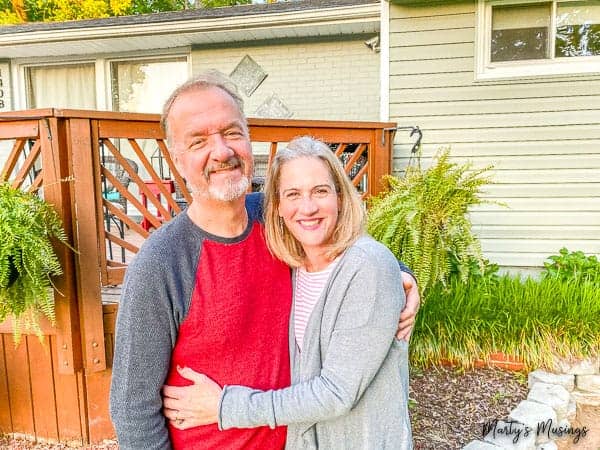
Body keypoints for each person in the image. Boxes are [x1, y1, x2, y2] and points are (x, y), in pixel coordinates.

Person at [109, 71, 419, 450]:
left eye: (232, 132)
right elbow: (132, 408)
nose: (221, 151)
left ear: (248, 138)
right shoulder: (162, 263)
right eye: (199, 141)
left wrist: (400, 276)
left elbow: (346, 248)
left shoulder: (278, 220)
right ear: (177, 157)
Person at [162, 136, 413, 449]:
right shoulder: (293, 266)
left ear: (339, 196)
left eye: (320, 191)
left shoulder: (367, 266)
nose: (307, 208)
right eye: (293, 194)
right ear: (276, 207)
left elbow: (336, 393)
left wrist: (225, 407)